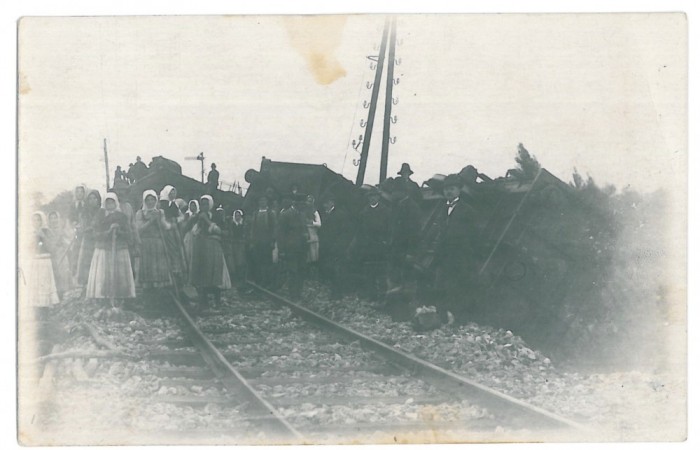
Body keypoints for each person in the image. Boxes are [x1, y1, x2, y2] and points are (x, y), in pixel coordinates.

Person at [433, 174, 479, 324]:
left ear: (459, 190)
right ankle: (443, 319)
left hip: (460, 256)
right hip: (444, 256)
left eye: (452, 189)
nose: (449, 192)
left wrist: (466, 252)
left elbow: (474, 235)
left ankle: (458, 320)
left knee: (457, 288)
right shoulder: (442, 209)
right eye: (446, 189)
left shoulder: (468, 211)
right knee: (441, 287)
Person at [85, 192, 136, 305]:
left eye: (112, 202)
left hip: (120, 249)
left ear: (116, 203)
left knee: (120, 274)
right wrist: (108, 231)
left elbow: (129, 234)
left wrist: (119, 231)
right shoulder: (99, 216)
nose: (110, 204)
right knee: (104, 274)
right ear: (104, 203)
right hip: (104, 249)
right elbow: (95, 234)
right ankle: (103, 296)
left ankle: (121, 296)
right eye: (107, 202)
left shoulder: (122, 217)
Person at [184, 194, 231, 308]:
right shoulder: (197, 216)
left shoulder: (217, 216)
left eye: (206, 204)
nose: (204, 206)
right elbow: (186, 228)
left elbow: (226, 232)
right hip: (201, 248)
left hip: (214, 248)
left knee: (215, 272)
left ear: (210, 204)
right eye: (202, 204)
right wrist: (194, 220)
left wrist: (213, 230)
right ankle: (203, 300)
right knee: (202, 273)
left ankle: (217, 300)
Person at [356, 187, 391, 302]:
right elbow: (360, 231)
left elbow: (390, 229)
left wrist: (385, 242)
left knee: (381, 273)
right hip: (368, 247)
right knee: (369, 273)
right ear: (368, 198)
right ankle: (371, 296)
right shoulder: (363, 212)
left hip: (380, 247)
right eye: (370, 196)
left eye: (375, 196)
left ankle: (381, 297)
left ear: (378, 197)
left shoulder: (386, 211)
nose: (372, 198)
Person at [135, 190, 172, 289]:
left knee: (158, 267)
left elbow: (166, 227)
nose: (150, 202)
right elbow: (138, 229)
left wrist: (160, 220)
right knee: (148, 266)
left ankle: (159, 290)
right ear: (144, 201)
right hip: (146, 243)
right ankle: (148, 290)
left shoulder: (160, 212)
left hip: (158, 243)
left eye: (153, 199)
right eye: (148, 200)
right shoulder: (140, 213)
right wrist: (151, 221)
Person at [388, 182, 422, 289]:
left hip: (406, 249)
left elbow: (415, 232)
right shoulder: (398, 205)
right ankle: (392, 301)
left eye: (394, 192)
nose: (392, 195)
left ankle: (407, 302)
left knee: (407, 276)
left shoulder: (412, 207)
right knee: (394, 275)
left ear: (402, 192)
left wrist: (411, 252)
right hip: (397, 248)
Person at [25, 212, 60, 311]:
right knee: (36, 283)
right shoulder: (30, 233)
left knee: (45, 283)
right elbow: (28, 249)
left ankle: (45, 307)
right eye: (34, 220)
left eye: (38, 219)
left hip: (45, 261)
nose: (36, 222)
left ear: (42, 220)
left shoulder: (47, 231)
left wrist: (43, 236)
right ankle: (36, 306)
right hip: (35, 261)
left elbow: (52, 248)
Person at [318, 196, 352, 299]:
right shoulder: (327, 214)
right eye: (324, 203)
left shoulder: (340, 215)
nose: (325, 205)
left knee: (337, 270)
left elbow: (345, 233)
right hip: (328, 247)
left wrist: (338, 246)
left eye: (327, 203)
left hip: (336, 248)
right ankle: (334, 291)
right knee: (331, 270)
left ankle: (337, 293)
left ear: (332, 202)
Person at [277, 196, 308, 299]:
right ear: (295, 202)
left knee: (301, 270)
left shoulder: (303, 215)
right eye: (301, 203)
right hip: (291, 248)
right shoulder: (285, 215)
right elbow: (281, 234)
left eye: (304, 203)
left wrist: (306, 236)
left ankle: (298, 293)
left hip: (302, 248)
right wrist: (281, 250)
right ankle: (293, 294)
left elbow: (304, 229)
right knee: (293, 271)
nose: (303, 205)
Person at [159, 185, 187, 285]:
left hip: (175, 229)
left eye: (174, 193)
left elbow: (181, 216)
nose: (172, 194)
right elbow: (162, 218)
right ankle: (170, 272)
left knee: (177, 248)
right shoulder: (163, 204)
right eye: (170, 193)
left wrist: (176, 220)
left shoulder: (174, 204)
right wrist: (170, 223)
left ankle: (178, 272)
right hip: (166, 230)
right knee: (169, 249)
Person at [76, 190, 104, 290]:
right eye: (90, 199)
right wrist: (84, 229)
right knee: (86, 261)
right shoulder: (85, 213)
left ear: (98, 200)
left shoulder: (102, 212)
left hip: (99, 240)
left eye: (94, 198)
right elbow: (82, 226)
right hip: (88, 240)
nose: (92, 201)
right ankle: (86, 285)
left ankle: (98, 285)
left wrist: (94, 228)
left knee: (98, 262)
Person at [247, 196, 277, 287]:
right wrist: (252, 241)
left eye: (264, 200)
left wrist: (273, 240)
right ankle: (259, 280)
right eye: (261, 200)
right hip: (257, 241)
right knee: (258, 261)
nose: (262, 202)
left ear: (267, 202)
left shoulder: (271, 213)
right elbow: (253, 228)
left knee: (267, 261)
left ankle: (268, 281)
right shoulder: (255, 213)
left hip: (267, 241)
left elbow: (274, 228)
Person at [46, 211, 74, 299]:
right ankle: (54, 295)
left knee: (62, 273)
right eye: (51, 218)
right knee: (53, 274)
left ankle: (63, 293)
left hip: (61, 255)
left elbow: (68, 242)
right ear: (48, 220)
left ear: (58, 219)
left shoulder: (62, 230)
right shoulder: (46, 231)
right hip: (51, 256)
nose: (53, 220)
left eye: (55, 218)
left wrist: (63, 244)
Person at [223, 209, 247, 288]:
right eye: (236, 216)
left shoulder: (243, 224)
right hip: (233, 243)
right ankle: (234, 278)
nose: (237, 217)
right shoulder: (232, 224)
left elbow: (245, 233)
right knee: (233, 260)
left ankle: (240, 278)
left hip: (241, 243)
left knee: (240, 260)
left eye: (239, 215)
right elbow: (229, 233)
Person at [304, 195, 322, 269]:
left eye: (310, 201)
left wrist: (312, 222)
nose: (309, 203)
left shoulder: (315, 212)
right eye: (307, 201)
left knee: (313, 255)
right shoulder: (303, 211)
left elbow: (319, 224)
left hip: (313, 234)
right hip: (305, 234)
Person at [183, 199, 199, 270]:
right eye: (191, 206)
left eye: (194, 206)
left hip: (197, 235)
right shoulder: (187, 215)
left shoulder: (199, 215)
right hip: (189, 235)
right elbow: (185, 226)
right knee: (188, 253)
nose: (193, 207)